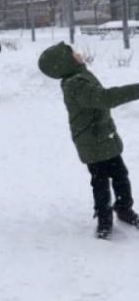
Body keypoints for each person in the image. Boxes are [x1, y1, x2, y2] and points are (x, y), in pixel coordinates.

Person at [38, 41, 139, 239]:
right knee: (100, 181)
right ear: (64, 62)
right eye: (71, 53)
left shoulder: (79, 76)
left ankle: (123, 207)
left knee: (120, 174)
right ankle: (104, 219)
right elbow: (106, 98)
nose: (77, 53)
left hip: (103, 136)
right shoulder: (75, 84)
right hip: (92, 141)